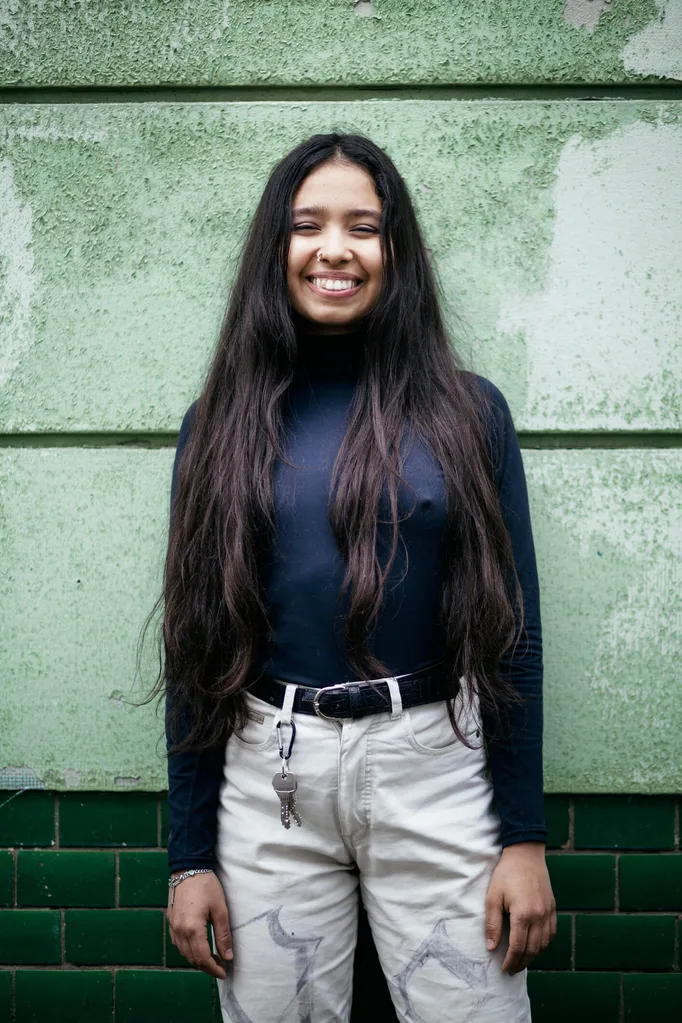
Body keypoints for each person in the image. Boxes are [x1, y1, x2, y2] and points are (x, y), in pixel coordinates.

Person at [159, 132, 556, 1022]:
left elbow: (513, 640)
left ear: (395, 251)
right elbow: (196, 654)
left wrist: (523, 838)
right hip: (272, 778)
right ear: (277, 249)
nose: (334, 247)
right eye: (308, 224)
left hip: (436, 767)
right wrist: (190, 860)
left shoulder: (468, 411)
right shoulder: (218, 423)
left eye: (363, 227)